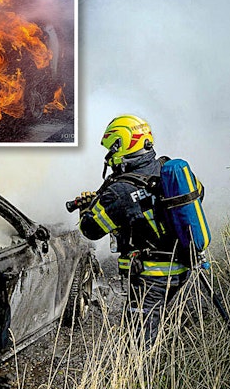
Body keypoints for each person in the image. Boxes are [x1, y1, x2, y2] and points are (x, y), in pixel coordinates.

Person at [74, 114, 193, 344]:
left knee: (140, 348)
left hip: (149, 281)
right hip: (184, 272)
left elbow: (90, 229)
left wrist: (88, 210)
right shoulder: (168, 170)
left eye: (111, 148)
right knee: (176, 337)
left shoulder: (120, 190)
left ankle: (142, 381)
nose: (109, 156)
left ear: (121, 144)